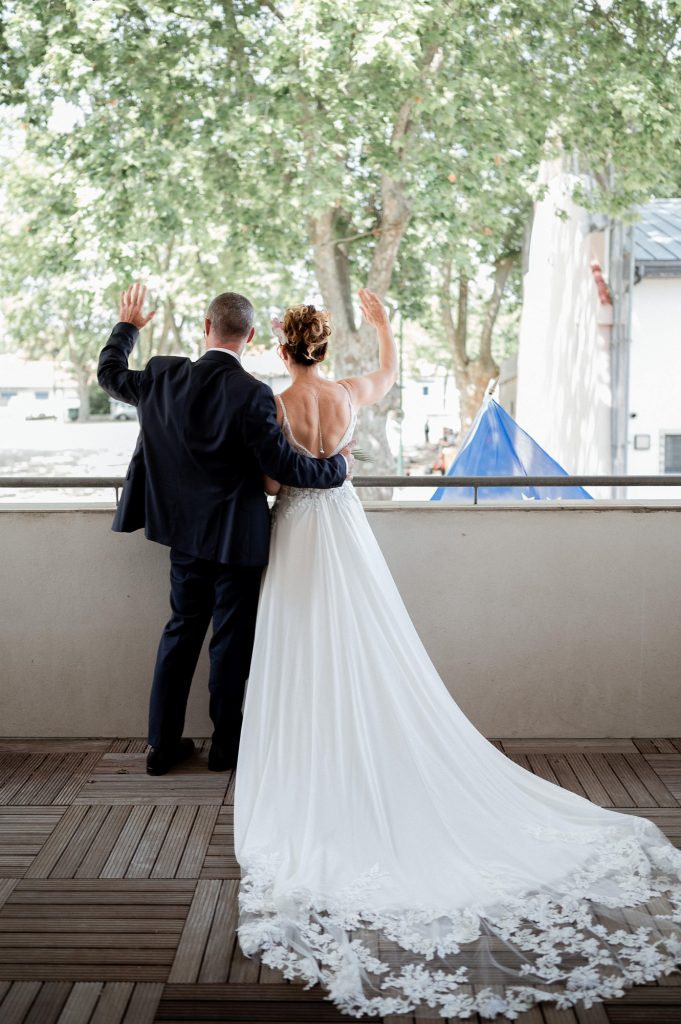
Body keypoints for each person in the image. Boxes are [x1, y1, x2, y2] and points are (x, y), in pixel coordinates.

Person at [234, 288, 681, 1020]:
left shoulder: (274, 406)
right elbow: (386, 375)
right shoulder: (348, 394)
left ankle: (316, 752)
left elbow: (277, 480)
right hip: (345, 529)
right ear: (322, 348)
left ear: (283, 351)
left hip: (297, 529)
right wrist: (381, 325)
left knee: (300, 643)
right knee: (364, 640)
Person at [97, 283, 351, 777]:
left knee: (180, 634)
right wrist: (337, 468)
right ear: (251, 335)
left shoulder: (162, 375)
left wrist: (128, 326)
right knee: (231, 645)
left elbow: (108, 374)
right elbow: (285, 469)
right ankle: (225, 750)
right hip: (238, 539)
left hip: (183, 536)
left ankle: (162, 748)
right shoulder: (253, 393)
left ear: (206, 327)